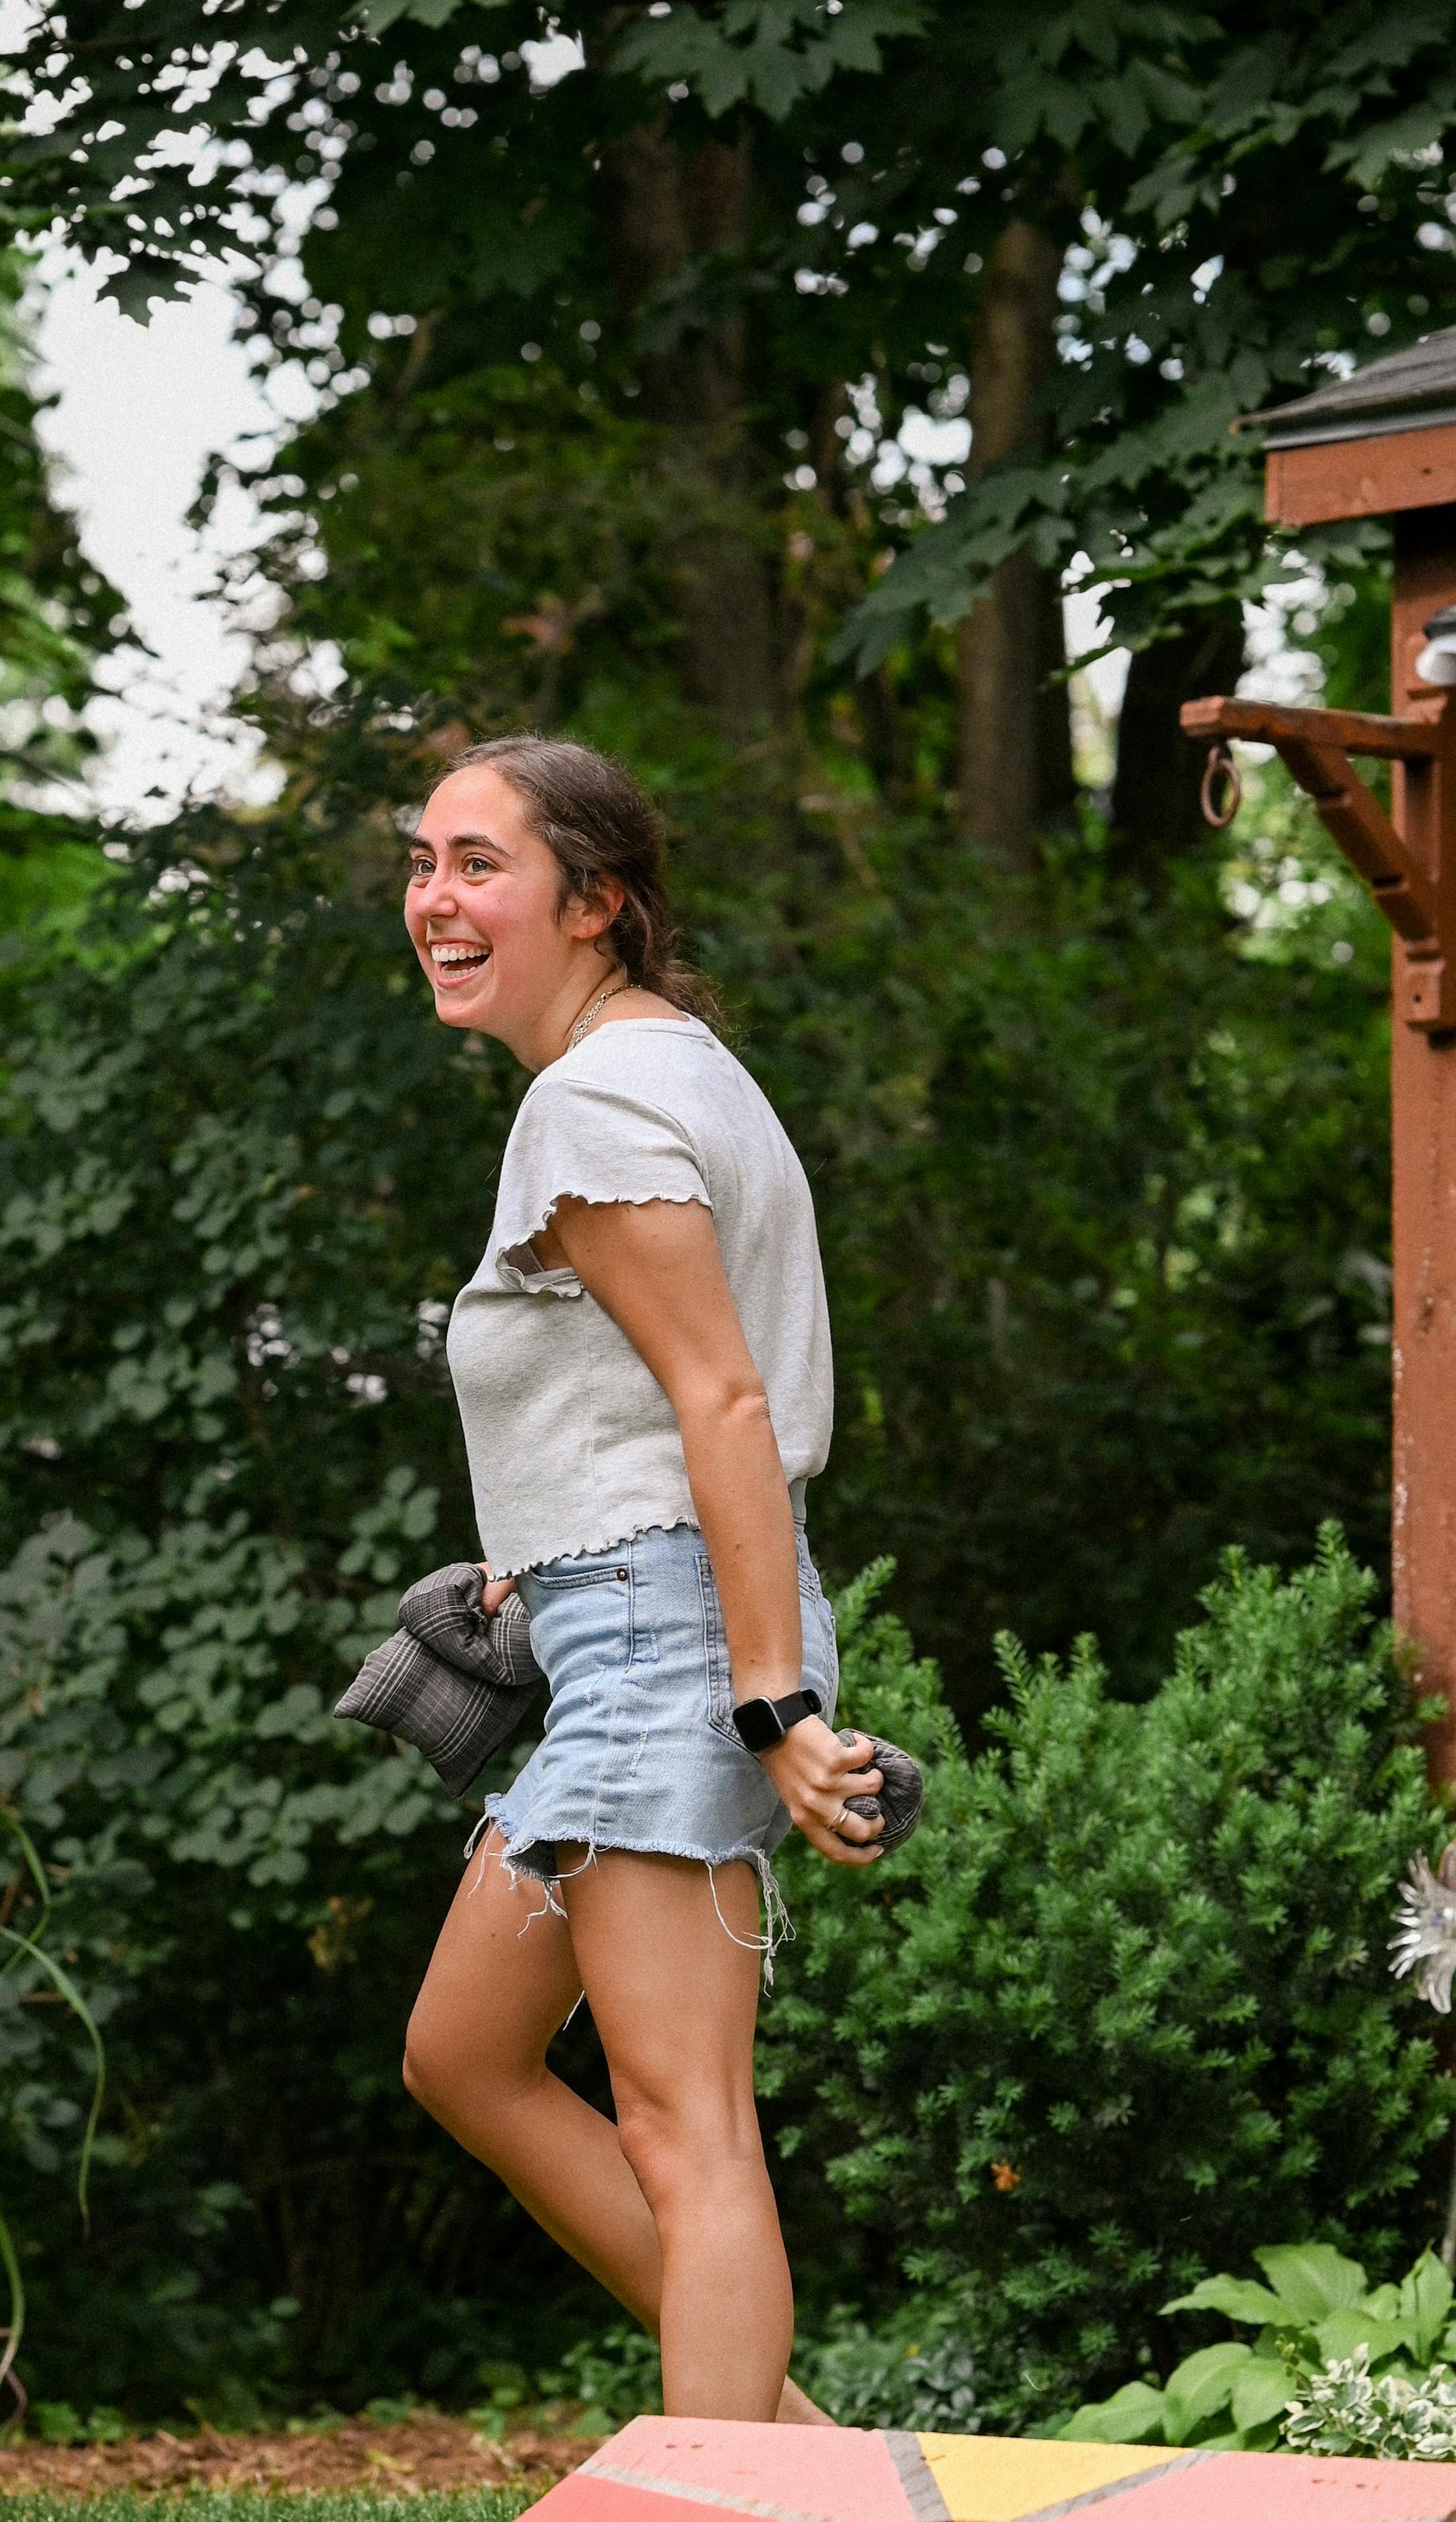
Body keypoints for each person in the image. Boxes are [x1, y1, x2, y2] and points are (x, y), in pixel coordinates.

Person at [398, 734, 883, 2427]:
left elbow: (723, 1401)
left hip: (677, 1642)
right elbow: (647, 1404)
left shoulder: (591, 1102)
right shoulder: (674, 1068)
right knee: (461, 2049)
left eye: (479, 865)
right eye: (424, 862)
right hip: (626, 1622)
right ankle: (787, 2446)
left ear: (594, 901)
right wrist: (523, 1575)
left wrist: (769, 1701)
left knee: (688, 2121)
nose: (434, 899)